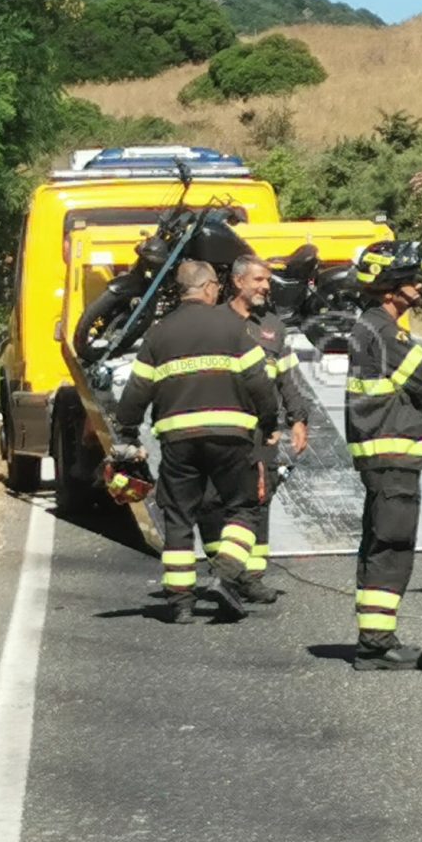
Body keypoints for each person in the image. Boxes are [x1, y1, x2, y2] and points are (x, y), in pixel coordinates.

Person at [110, 259, 278, 623]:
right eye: (216, 285)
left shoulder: (159, 333)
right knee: (243, 508)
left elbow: (137, 389)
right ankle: (226, 574)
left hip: (178, 440)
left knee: (179, 517)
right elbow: (258, 381)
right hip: (231, 437)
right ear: (206, 288)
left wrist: (126, 432)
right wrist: (269, 420)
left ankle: (181, 602)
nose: (218, 290)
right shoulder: (232, 326)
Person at [344, 240, 422, 669]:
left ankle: (374, 637)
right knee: (393, 545)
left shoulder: (369, 326)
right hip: (393, 455)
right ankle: (377, 643)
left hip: (381, 456)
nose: (419, 285)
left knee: (379, 542)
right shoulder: (388, 333)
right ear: (390, 289)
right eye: (410, 279)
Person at [225, 255, 318, 605]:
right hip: (227, 427)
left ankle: (252, 576)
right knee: (226, 501)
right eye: (259, 280)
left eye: (267, 281)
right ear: (238, 282)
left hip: (263, 431)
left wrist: (298, 419)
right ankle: (226, 572)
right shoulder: (220, 322)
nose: (266, 287)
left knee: (262, 498)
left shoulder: (273, 327)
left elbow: (287, 379)